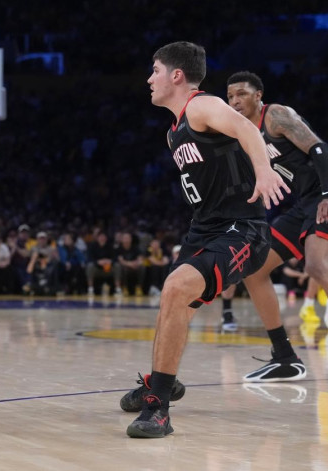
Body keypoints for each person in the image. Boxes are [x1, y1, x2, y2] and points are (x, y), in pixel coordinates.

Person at [122, 42, 289, 439]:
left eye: (155, 70)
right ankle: (161, 380)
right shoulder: (174, 132)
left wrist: (264, 170)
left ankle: (158, 407)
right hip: (205, 228)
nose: (149, 79)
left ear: (177, 75)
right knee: (173, 300)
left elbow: (246, 127)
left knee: (176, 287)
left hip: (243, 228)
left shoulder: (202, 106)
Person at [223, 71, 328, 341]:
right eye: (230, 96)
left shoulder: (276, 115)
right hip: (303, 202)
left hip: (322, 195)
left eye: (242, 94)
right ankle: (282, 349)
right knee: (254, 270)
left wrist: (327, 194)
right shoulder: (244, 135)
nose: (235, 101)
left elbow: (319, 149)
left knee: (315, 265)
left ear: (258, 95)